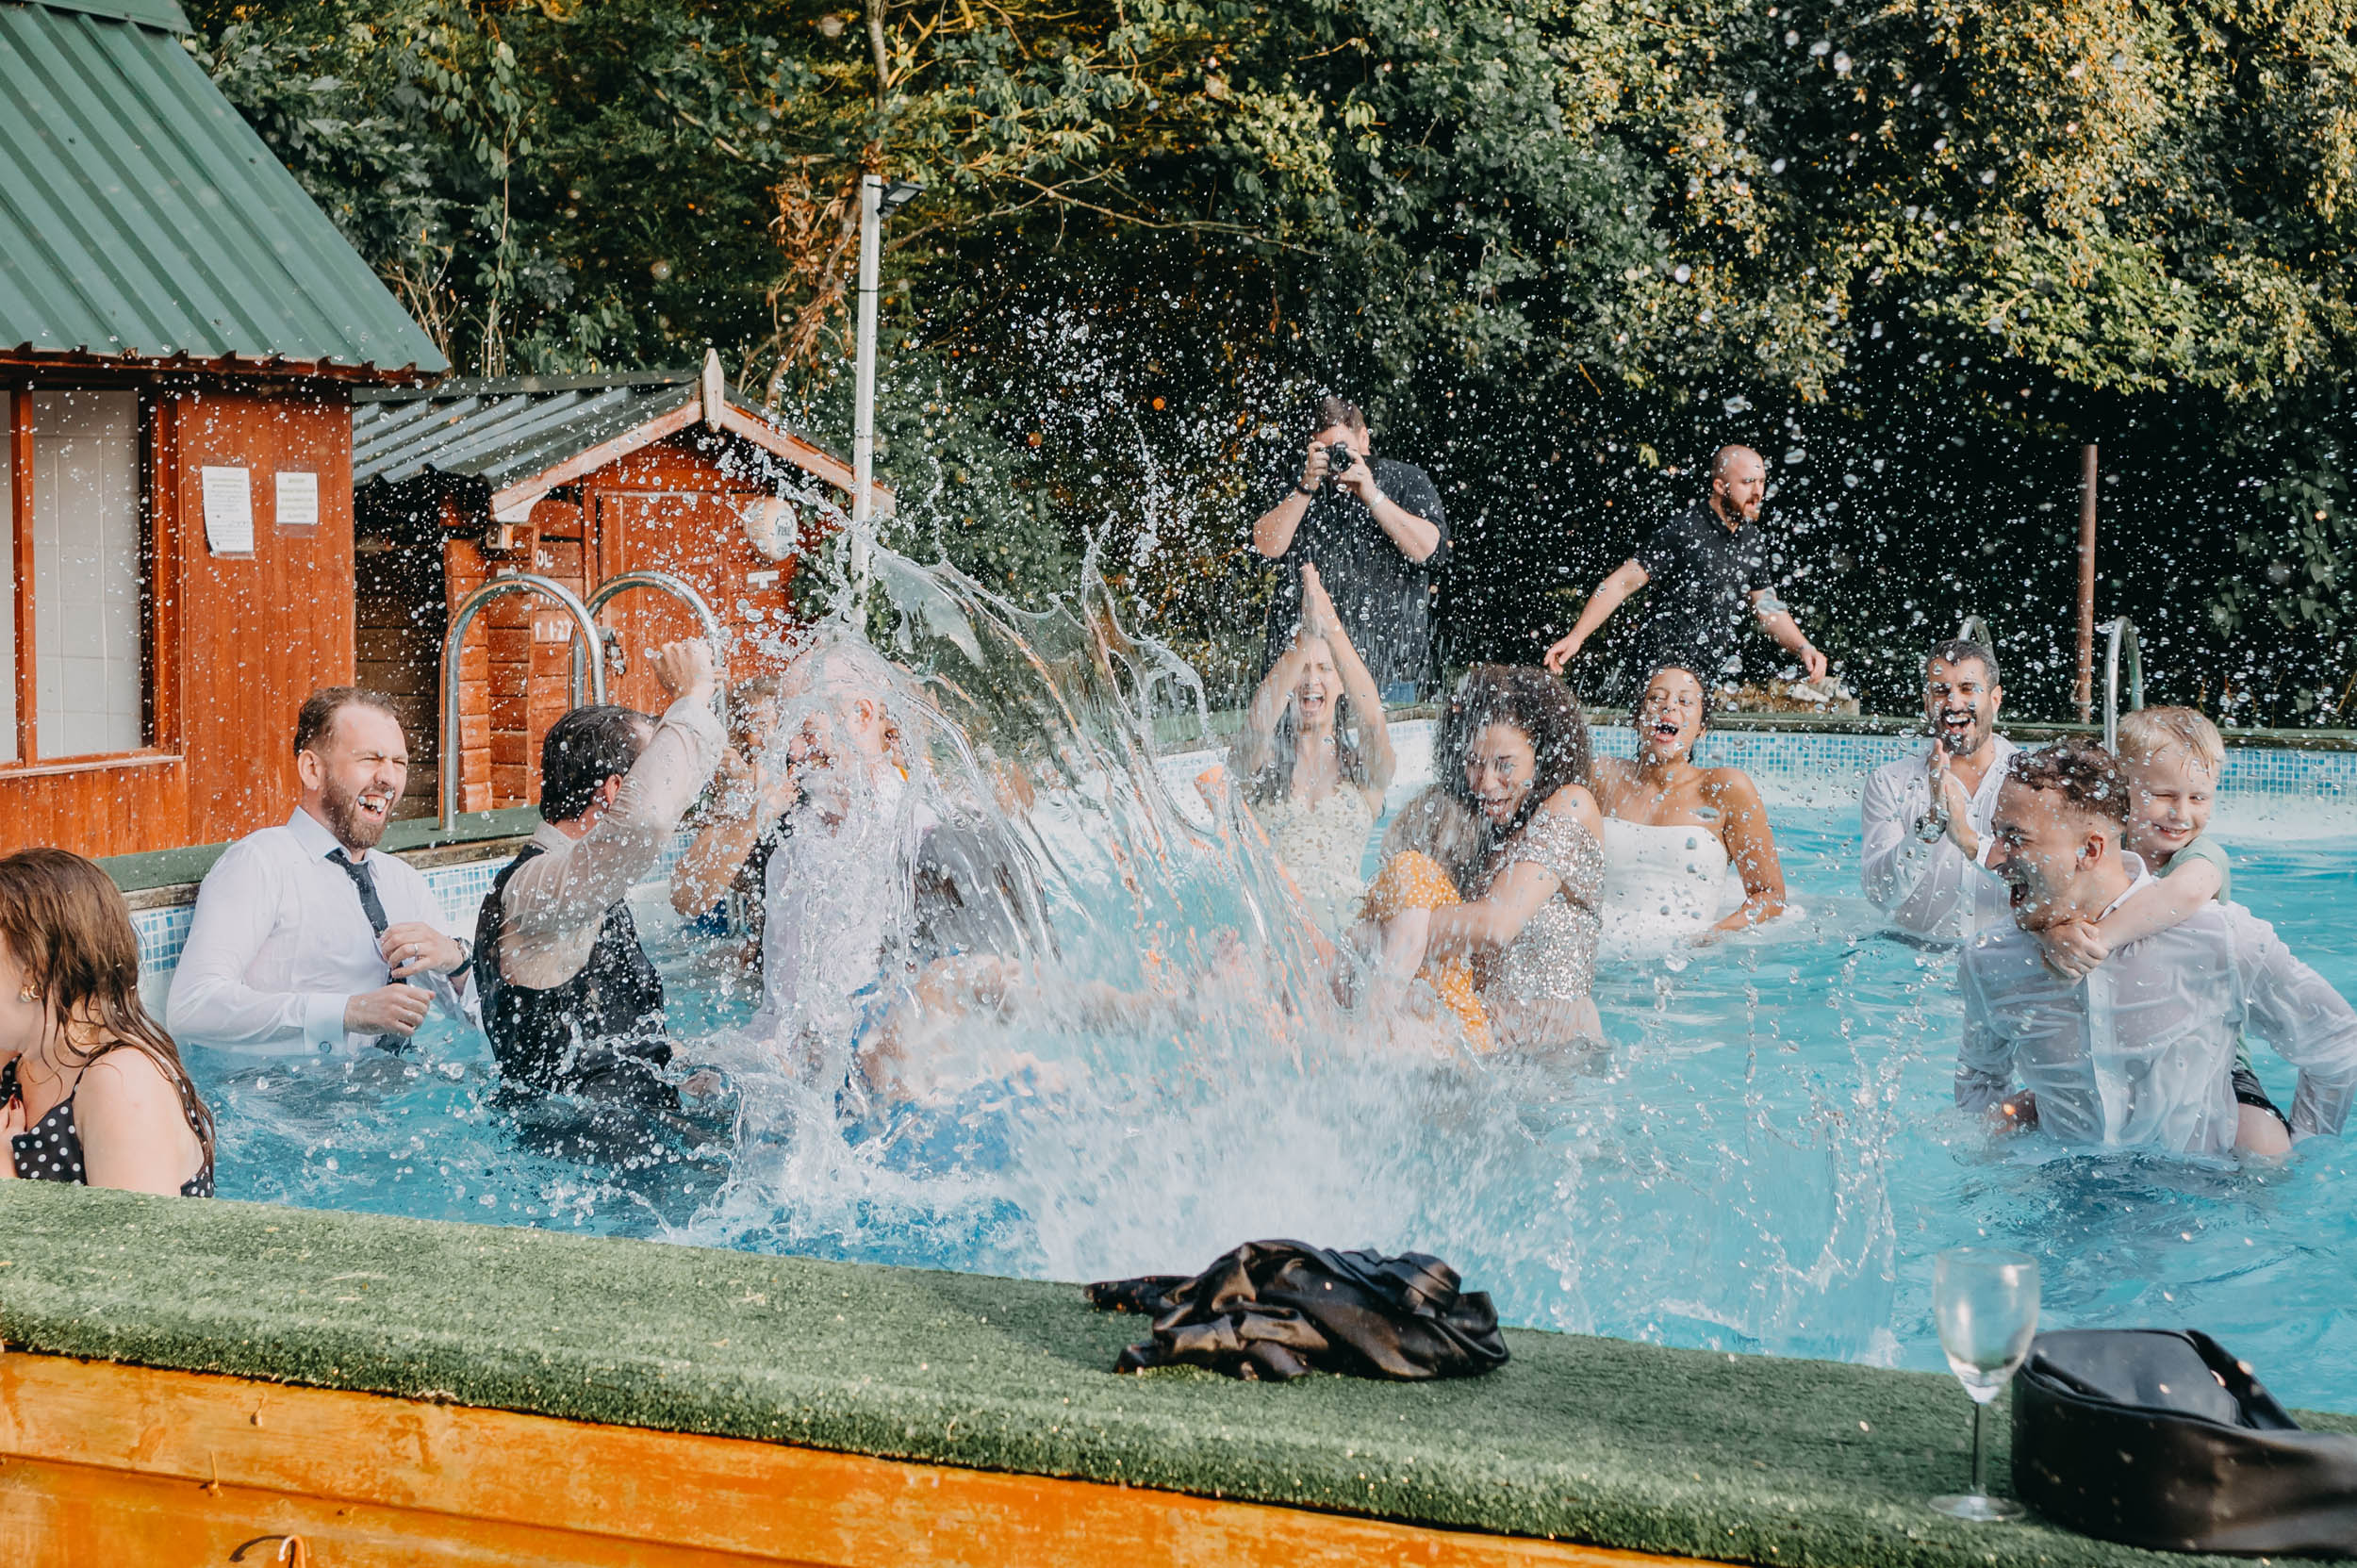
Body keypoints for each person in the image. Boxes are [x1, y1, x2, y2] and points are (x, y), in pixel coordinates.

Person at [1956, 739, 2357, 1156]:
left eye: (2016, 839)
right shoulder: (1990, 959)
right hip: (2062, 1187)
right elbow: (1979, 1077)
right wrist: (1996, 1162)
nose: (1996, 858)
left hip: (2206, 1186)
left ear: (2090, 849)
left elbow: (2337, 1041)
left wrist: (2305, 1151)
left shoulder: (2218, 939)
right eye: (1998, 834)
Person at [2029, 707, 2290, 1156]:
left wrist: (2095, 940)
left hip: (2209, 1064)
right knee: (2003, 1120)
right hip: (2101, 1053)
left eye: (2199, 798)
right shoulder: (2099, 850)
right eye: (2163, 794)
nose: (2181, 814)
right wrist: (2050, 934)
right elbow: (2034, 898)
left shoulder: (2201, 858)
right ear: (2119, 788)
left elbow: (2181, 894)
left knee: (2264, 1145)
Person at [474, 640, 723, 1104]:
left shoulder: (589, 885)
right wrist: (693, 696)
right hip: (575, 1140)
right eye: (651, 771)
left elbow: (622, 1042)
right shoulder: (530, 887)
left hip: (623, 1127)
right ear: (614, 792)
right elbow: (646, 821)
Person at [168, 687, 472, 1055]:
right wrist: (345, 1012)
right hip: (284, 1089)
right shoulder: (260, 863)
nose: (389, 779)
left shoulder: (403, 882)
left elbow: (477, 1021)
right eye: (370, 759)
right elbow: (192, 1008)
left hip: (393, 1080)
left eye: (400, 763)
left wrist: (458, 961)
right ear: (312, 770)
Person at [1417, 666, 1609, 1055]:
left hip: (1557, 1050)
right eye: (1474, 762)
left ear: (1543, 755)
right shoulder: (1480, 830)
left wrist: (1395, 930)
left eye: (1504, 765)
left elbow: (1497, 924)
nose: (1486, 783)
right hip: (1482, 1040)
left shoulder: (1572, 805)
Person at [1, 849, 213, 1196]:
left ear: (34, 975)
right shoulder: (20, 1055)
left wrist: (8, 1186)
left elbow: (142, 1231)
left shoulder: (121, 1084)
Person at [1541, 445, 1826, 693]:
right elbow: (1621, 582)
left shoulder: (1751, 538)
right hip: (1661, 665)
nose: (1758, 492)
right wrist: (1576, 637)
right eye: (1747, 482)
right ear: (1719, 486)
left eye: (1762, 482)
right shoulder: (1685, 530)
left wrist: (1803, 646)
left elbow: (1767, 606)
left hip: (1705, 673)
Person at [1233, 563, 1397, 933]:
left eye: (1325, 669)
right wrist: (1306, 635)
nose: (1312, 680)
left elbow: (1373, 720)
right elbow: (1258, 724)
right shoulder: (1260, 768)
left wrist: (1331, 626)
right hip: (1279, 930)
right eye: (1302, 669)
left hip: (1347, 936)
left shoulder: (1362, 772)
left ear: (1342, 684)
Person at [1250, 395, 1449, 698]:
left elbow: (1429, 551)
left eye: (1341, 447)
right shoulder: (1299, 482)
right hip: (1305, 678)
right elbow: (1266, 547)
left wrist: (1372, 495)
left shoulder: (1405, 479)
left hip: (1391, 676)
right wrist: (1305, 487)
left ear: (1364, 438)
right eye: (1324, 450)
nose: (1335, 459)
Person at [1592, 664, 1787, 946]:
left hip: (1689, 957)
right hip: (1600, 949)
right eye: (1656, 698)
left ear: (1702, 729)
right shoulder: (1601, 777)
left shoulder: (1724, 788)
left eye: (1684, 701)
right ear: (1637, 718)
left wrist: (1712, 935)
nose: (1669, 706)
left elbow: (1770, 896)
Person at [1858, 639, 2017, 942]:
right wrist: (1930, 824)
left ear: (1995, 699)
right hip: (1912, 955)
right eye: (1942, 691)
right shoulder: (1890, 782)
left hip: (2004, 958)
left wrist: (1970, 842)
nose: (1954, 704)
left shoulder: (2030, 780)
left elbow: (2050, 888)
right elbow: (1881, 895)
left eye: (1968, 689)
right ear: (1927, 702)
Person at [1355, 786, 1492, 1050]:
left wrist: (1368, 1029)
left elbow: (1408, 944)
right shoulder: (1446, 898)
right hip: (1468, 1045)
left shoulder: (1411, 866)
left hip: (1450, 1048)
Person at [669, 675, 795, 954]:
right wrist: (745, 786)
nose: (770, 736)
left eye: (778, 724)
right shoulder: (740, 790)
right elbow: (685, 895)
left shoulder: (809, 778)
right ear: (741, 734)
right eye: (757, 726)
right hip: (767, 947)